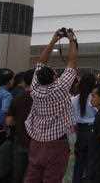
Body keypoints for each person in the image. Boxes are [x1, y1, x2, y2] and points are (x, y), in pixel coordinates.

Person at [24, 29, 79, 183]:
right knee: (53, 178)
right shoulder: (60, 88)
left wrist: (53, 40)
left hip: (36, 141)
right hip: (57, 142)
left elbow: (40, 62)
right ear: (55, 77)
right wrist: (72, 40)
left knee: (33, 176)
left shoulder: (34, 89)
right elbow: (72, 63)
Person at [5, 70, 34, 183]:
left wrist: (20, 122)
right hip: (37, 143)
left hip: (20, 140)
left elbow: (9, 121)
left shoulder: (17, 98)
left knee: (18, 174)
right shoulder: (41, 99)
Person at [71, 73, 97, 183]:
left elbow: (72, 119)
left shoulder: (74, 99)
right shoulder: (94, 99)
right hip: (92, 132)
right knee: (91, 162)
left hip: (80, 132)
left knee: (79, 163)